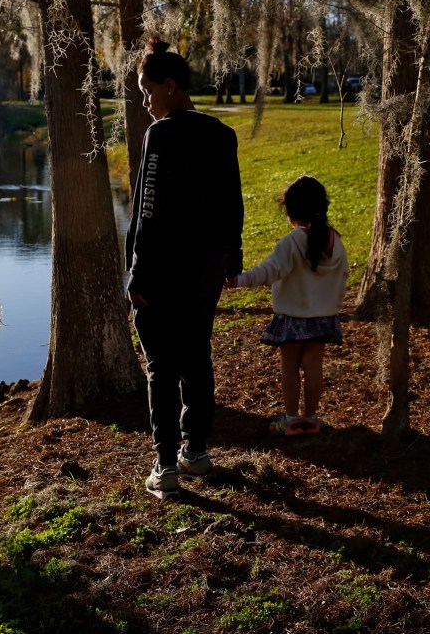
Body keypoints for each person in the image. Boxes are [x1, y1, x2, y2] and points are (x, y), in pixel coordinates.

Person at [126, 37, 244, 498]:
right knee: (196, 354)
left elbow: (148, 207)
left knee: (161, 364)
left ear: (171, 86)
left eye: (146, 89)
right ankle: (195, 453)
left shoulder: (163, 133)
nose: (144, 100)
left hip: (163, 268)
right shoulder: (221, 133)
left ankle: (165, 466)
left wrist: (137, 272)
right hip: (207, 268)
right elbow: (232, 204)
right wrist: (231, 258)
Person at [225, 175, 349, 435]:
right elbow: (344, 276)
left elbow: (269, 271)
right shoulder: (335, 241)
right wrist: (334, 306)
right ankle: (312, 418)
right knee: (314, 366)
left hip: (293, 318)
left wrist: (238, 280)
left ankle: (291, 419)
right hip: (324, 318)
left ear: (290, 210)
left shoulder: (291, 242)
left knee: (290, 366)